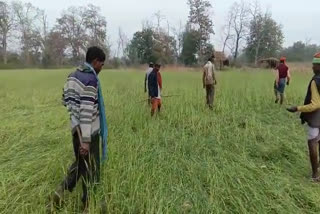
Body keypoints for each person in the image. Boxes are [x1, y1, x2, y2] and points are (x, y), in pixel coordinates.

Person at [47, 46, 107, 212]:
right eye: (101, 64)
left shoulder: (72, 76)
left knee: (81, 165)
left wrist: (76, 121)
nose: (101, 68)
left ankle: (61, 190)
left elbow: (65, 100)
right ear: (95, 62)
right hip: (88, 134)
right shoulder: (91, 80)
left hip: (76, 131)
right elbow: (87, 113)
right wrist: (86, 141)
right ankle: (88, 204)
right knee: (92, 170)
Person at [287, 53, 320, 182]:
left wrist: (297, 108)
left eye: (314, 65)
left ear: (318, 66)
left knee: (312, 142)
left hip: (316, 117)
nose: (312, 67)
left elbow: (315, 105)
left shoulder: (315, 81)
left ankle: (315, 175)